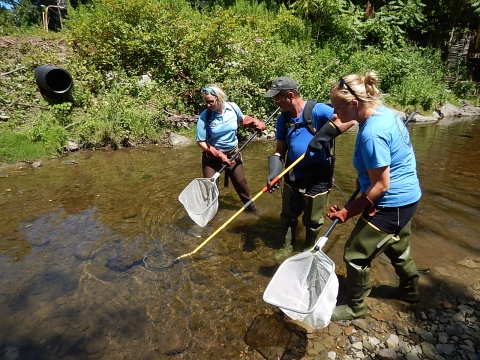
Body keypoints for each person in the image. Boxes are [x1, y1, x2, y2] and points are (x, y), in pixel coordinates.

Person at [327, 72, 422, 321]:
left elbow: (381, 185)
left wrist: (348, 211)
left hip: (391, 203)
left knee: (355, 254)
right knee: (397, 246)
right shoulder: (384, 113)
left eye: (337, 107)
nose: (334, 114)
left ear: (354, 104)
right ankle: (410, 291)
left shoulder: (372, 134)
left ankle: (356, 307)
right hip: (409, 198)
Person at [264, 77, 356, 260]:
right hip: (292, 174)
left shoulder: (318, 110)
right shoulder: (283, 119)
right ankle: (287, 245)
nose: (275, 102)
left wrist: (321, 138)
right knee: (288, 215)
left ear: (290, 95)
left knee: (313, 220)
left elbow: (349, 119)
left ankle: (308, 249)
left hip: (318, 175)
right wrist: (274, 173)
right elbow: (279, 151)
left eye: (277, 98)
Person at [196, 84, 266, 212]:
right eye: (206, 102)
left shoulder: (232, 108)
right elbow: (201, 142)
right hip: (212, 158)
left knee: (242, 186)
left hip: (233, 154)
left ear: (219, 98)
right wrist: (219, 155)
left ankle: (253, 212)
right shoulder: (205, 116)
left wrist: (255, 122)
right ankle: (211, 219)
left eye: (211, 102)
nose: (208, 105)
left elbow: (243, 119)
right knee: (210, 192)